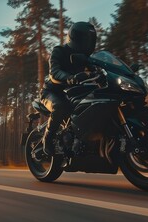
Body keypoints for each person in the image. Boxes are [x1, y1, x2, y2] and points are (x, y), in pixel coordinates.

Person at [41, 21, 97, 155]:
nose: (87, 43)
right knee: (59, 107)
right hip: (52, 92)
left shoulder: (86, 57)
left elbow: (97, 69)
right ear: (75, 37)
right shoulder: (59, 51)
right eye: (84, 39)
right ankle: (47, 139)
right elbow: (54, 72)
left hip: (73, 94)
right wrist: (70, 78)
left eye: (89, 40)